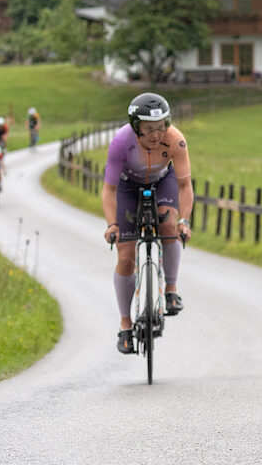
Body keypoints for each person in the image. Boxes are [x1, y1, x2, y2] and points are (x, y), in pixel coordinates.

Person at [101, 93, 194, 354]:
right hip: (127, 187)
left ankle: (171, 291)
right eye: (149, 128)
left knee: (168, 225)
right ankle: (126, 326)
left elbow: (185, 186)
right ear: (135, 127)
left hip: (162, 180)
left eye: (162, 125)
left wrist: (184, 221)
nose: (157, 134)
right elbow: (108, 190)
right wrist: (112, 225)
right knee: (126, 256)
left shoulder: (175, 139)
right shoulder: (121, 142)